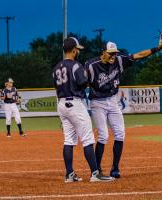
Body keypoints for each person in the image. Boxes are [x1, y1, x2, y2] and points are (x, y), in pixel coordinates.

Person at [85, 41, 162, 178]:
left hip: (112, 100)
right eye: (110, 53)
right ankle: (96, 169)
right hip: (97, 102)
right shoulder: (91, 66)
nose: (113, 55)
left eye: (115, 53)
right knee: (103, 135)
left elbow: (139, 55)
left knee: (120, 134)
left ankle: (115, 168)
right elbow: (80, 81)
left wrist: (157, 48)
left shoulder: (119, 60)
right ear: (103, 52)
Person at [53, 37, 114, 183]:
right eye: (78, 49)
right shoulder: (75, 65)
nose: (78, 52)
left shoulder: (56, 67)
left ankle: (69, 174)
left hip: (62, 103)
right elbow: (82, 83)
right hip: (75, 103)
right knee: (88, 139)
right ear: (73, 50)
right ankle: (95, 173)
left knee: (68, 139)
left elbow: (56, 87)